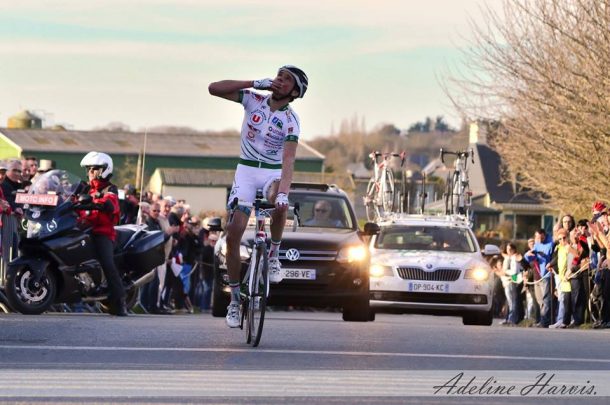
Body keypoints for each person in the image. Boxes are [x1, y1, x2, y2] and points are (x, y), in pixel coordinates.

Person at [208, 64, 308, 328]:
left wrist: (284, 192)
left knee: (281, 202)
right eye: (278, 76)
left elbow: (289, 161)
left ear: (295, 92)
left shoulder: (291, 120)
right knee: (234, 231)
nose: (279, 80)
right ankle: (234, 300)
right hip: (246, 171)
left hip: (272, 174)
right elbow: (214, 88)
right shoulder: (254, 99)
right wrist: (254, 82)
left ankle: (274, 255)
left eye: (286, 80)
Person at [77, 151, 127, 316]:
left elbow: (111, 201)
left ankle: (120, 302)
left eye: (93, 169)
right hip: (83, 229)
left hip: (102, 232)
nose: (90, 172)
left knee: (107, 263)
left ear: (104, 169)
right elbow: (70, 197)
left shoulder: (110, 188)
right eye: (89, 169)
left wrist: (100, 199)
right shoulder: (84, 187)